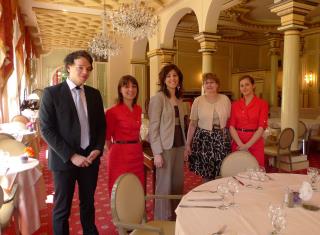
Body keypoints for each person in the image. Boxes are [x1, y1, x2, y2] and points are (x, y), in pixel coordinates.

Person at [39, 50, 106, 235]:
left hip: (90, 160)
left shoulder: (94, 94)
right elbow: (46, 129)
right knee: (62, 209)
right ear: (69, 68)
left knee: (88, 204)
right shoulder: (51, 93)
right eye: (80, 67)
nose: (85, 72)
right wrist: (71, 155)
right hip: (63, 161)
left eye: (88, 69)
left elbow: (101, 126)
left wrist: (98, 149)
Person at [148, 64, 186, 220]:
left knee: (177, 184)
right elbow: (153, 128)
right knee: (164, 185)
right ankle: (162, 218)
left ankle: (175, 216)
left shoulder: (180, 99)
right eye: (169, 76)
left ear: (179, 79)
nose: (172, 79)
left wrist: (186, 146)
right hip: (164, 148)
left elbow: (183, 125)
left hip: (179, 146)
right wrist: (157, 153)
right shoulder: (158, 99)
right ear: (164, 80)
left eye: (175, 75)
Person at [185, 73, 231, 181]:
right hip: (203, 139)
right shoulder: (198, 101)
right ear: (203, 85)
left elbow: (230, 120)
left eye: (212, 82)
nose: (209, 85)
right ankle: (207, 193)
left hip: (221, 138)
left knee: (223, 169)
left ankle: (221, 194)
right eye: (206, 83)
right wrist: (188, 144)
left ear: (217, 84)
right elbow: (192, 124)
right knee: (206, 172)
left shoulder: (225, 99)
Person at [105, 75, 144, 195]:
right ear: (120, 90)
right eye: (126, 86)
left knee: (137, 185)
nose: (130, 90)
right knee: (120, 186)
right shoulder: (112, 112)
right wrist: (115, 151)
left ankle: (136, 211)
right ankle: (120, 213)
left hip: (137, 152)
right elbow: (107, 139)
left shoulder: (138, 109)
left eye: (134, 86)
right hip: (120, 155)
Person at [229, 75, 268, 166]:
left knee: (256, 172)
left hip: (255, 142)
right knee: (237, 171)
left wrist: (247, 145)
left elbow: (261, 127)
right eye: (241, 86)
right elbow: (231, 126)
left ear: (253, 86)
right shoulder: (235, 105)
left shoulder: (262, 104)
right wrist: (241, 145)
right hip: (238, 142)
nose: (244, 88)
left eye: (247, 85)